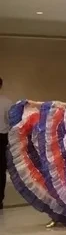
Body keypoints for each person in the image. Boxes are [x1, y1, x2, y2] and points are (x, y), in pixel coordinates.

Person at [0, 77, 12, 209]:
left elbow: (11, 123)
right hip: (2, 137)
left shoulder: (7, 102)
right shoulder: (7, 102)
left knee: (0, 170)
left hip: (1, 138)